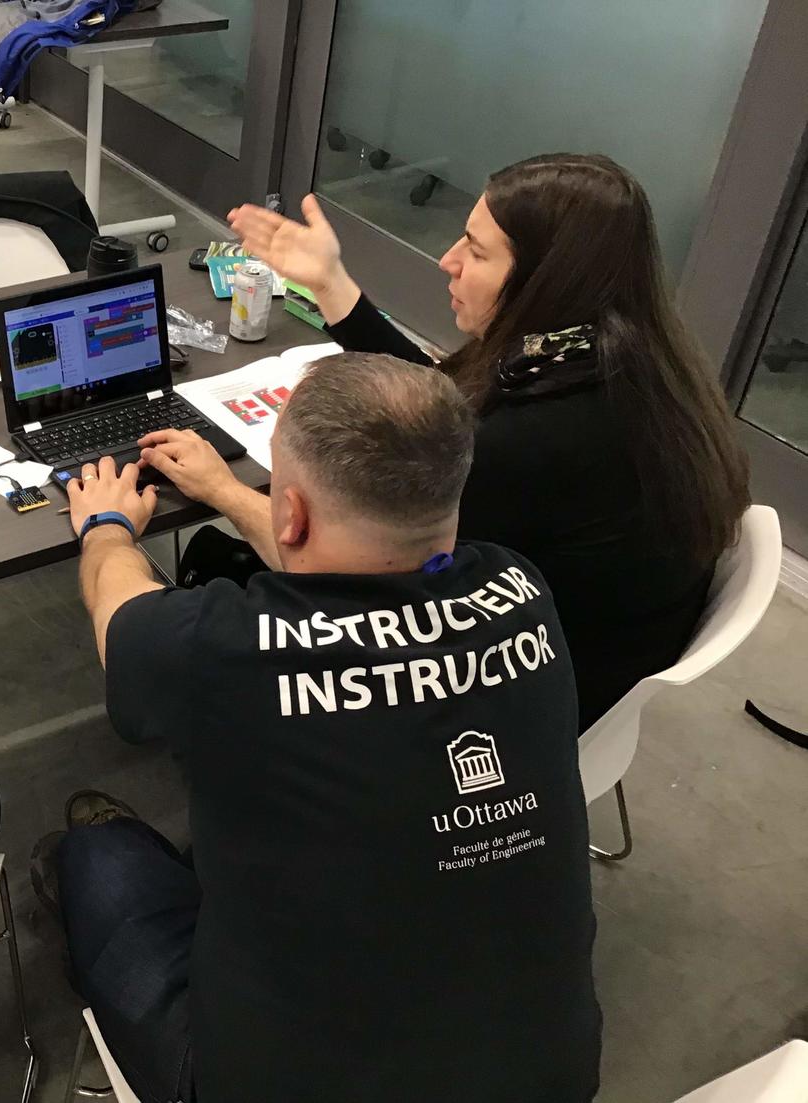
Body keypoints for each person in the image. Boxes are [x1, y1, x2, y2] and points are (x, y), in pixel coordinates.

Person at [42, 352, 601, 1103]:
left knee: (93, 854)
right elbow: (356, 580)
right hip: (544, 1083)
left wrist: (106, 526)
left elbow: (120, 613)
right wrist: (232, 493)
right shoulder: (522, 590)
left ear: (293, 511)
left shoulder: (227, 650)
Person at [229, 153, 750, 730]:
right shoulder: (623, 358)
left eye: (477, 252)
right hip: (591, 657)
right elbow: (438, 402)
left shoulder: (533, 440)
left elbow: (347, 579)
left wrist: (221, 489)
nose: (448, 261)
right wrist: (330, 284)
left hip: (507, 706)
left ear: (544, 277)